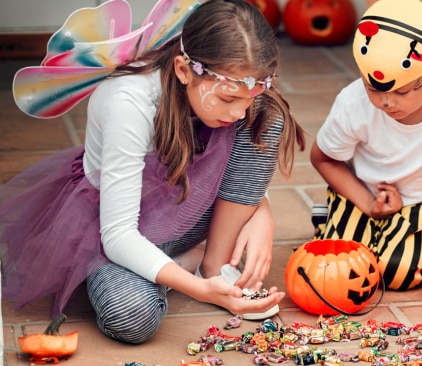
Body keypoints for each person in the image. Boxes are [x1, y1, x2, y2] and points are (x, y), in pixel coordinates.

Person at [1, 0, 305, 344]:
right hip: (118, 229)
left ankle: (213, 264)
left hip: (189, 206)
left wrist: (260, 209)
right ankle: (180, 269)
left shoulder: (242, 101)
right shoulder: (128, 102)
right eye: (226, 99)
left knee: (268, 113)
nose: (238, 112)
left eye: (248, 98)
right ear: (183, 70)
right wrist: (202, 293)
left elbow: (233, 161)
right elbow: (117, 235)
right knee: (131, 316)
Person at [310, 0, 422, 291]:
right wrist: (368, 204)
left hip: (419, 201)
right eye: (373, 89)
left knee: (398, 274)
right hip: (363, 192)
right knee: (342, 270)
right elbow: (323, 158)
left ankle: (348, 225)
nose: (386, 102)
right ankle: (331, 216)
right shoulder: (352, 103)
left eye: (403, 91)